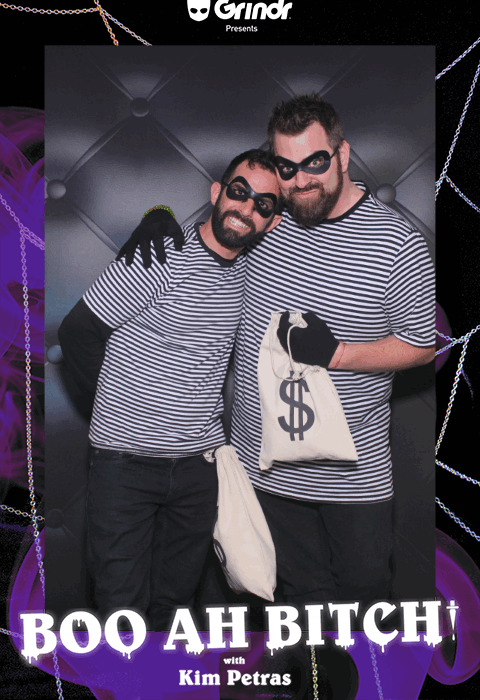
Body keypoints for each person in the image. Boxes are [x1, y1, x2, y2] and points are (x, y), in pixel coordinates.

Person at [118, 94, 436, 609]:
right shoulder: (268, 222)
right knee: (295, 612)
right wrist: (158, 216)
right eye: (287, 167)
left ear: (342, 154)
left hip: (352, 477)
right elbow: (213, 230)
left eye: (315, 162)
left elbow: (420, 346)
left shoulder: (397, 243)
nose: (301, 180)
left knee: (362, 606)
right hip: (263, 471)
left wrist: (339, 355)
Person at [57, 149, 282, 630]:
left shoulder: (251, 272)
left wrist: (157, 211)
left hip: (199, 470)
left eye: (263, 204)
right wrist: (119, 408)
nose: (247, 208)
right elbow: (77, 332)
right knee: (121, 614)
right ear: (217, 192)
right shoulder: (159, 256)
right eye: (239, 191)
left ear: (272, 221)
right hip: (126, 466)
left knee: (174, 613)